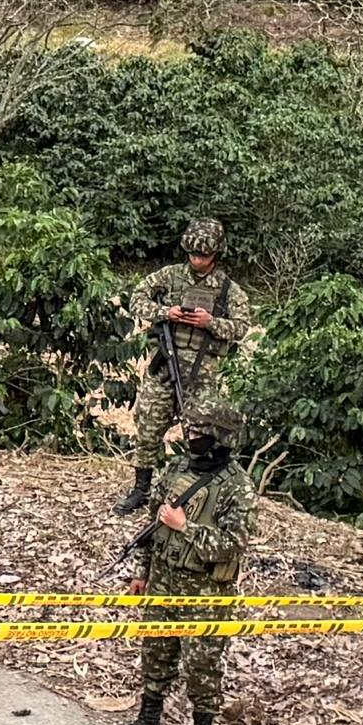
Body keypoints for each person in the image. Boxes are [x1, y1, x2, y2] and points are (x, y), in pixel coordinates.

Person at [110, 400, 255, 725]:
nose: (190, 438)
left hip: (206, 592)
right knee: (155, 652)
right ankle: (148, 720)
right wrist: (142, 572)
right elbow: (153, 526)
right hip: (163, 579)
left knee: (202, 666)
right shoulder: (175, 469)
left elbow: (233, 544)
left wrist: (185, 527)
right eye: (188, 432)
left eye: (199, 433)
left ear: (220, 438)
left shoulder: (238, 487)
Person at [123, 219, 251, 512]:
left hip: (201, 379)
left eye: (203, 255)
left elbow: (242, 327)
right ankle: (141, 489)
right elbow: (136, 299)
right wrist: (165, 312)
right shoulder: (169, 277)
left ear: (216, 254)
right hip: (163, 370)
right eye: (192, 254)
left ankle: (194, 495)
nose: (197, 260)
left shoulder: (228, 290)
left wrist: (211, 323)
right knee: (147, 430)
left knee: (200, 439)